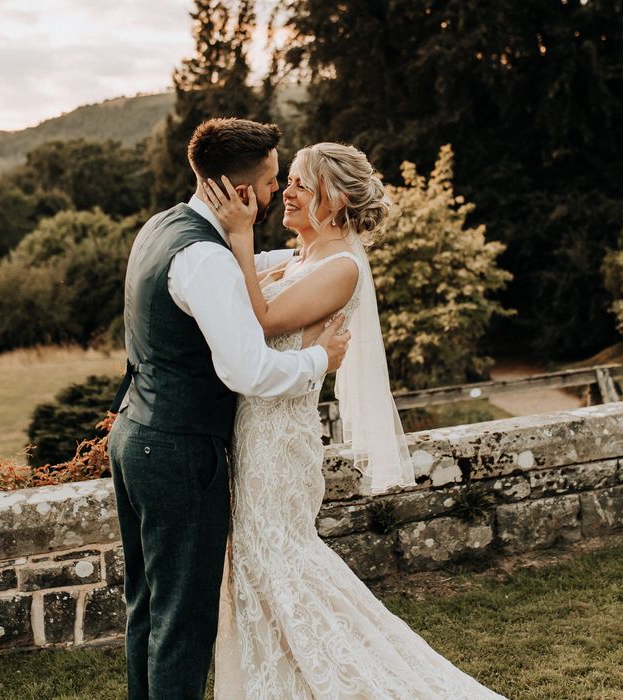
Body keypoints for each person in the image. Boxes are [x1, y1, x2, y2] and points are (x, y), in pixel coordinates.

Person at [203, 142, 509, 699]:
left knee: (279, 561)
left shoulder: (341, 267)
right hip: (253, 433)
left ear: (336, 198)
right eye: (288, 181)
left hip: (278, 442)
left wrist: (242, 235)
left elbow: (259, 316)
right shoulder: (298, 258)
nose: (287, 193)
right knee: (257, 562)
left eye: (299, 183)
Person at [106, 119, 351, 700]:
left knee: (147, 604)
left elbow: (273, 266)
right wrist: (320, 360)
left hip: (134, 432)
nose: (274, 193)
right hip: (178, 449)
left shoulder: (165, 226)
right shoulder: (208, 260)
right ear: (240, 191)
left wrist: (292, 254)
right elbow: (246, 370)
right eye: (270, 182)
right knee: (183, 623)